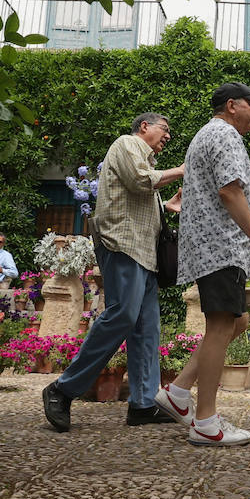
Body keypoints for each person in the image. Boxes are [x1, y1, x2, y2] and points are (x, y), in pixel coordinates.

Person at [42, 113, 185, 432]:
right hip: (123, 246)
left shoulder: (144, 160)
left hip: (146, 255)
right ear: (144, 127)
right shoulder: (127, 144)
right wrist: (182, 170)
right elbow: (140, 181)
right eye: (165, 129)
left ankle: (144, 404)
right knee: (122, 315)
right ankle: (61, 389)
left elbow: (138, 197)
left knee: (147, 329)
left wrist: (168, 206)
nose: (168, 137)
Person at [153, 82, 250, 447]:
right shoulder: (224, 135)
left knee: (238, 321)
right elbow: (229, 190)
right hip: (221, 249)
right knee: (222, 325)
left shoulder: (208, 134)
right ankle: (206, 421)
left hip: (210, 249)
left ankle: (177, 392)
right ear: (231, 105)